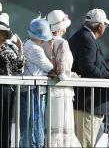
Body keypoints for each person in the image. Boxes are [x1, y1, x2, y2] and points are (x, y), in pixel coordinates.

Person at [69, 8, 109, 148]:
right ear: (100, 26)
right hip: (88, 104)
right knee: (86, 144)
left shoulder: (83, 36)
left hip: (88, 103)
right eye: (105, 25)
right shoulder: (86, 38)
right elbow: (89, 68)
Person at [0, 12, 24, 148]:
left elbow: (19, 70)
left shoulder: (8, 49)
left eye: (4, 34)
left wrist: (20, 49)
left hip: (7, 92)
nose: (2, 37)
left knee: (4, 130)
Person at [45, 10, 78, 148]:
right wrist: (74, 76)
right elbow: (62, 72)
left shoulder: (42, 41)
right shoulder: (62, 43)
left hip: (48, 91)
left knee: (50, 130)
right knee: (61, 130)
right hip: (61, 93)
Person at [22, 17, 54, 148]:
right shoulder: (35, 48)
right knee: (34, 127)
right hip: (33, 90)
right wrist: (51, 53)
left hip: (28, 89)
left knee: (26, 128)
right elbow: (51, 67)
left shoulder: (27, 43)